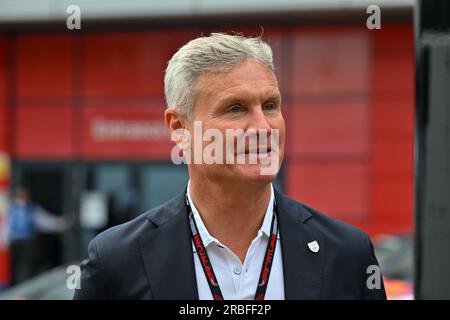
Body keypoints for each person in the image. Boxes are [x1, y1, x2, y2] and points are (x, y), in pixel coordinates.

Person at [74, 33, 386, 300]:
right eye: (235, 109)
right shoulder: (116, 262)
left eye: (270, 105)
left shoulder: (348, 255)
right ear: (180, 128)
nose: (263, 126)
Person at [7, 187, 70, 285]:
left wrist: (61, 224)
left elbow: (45, 221)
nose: (22, 199)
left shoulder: (32, 209)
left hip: (27, 243)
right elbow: (5, 226)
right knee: (12, 269)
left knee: (27, 268)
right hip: (14, 243)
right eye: (20, 196)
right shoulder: (10, 209)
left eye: (23, 196)